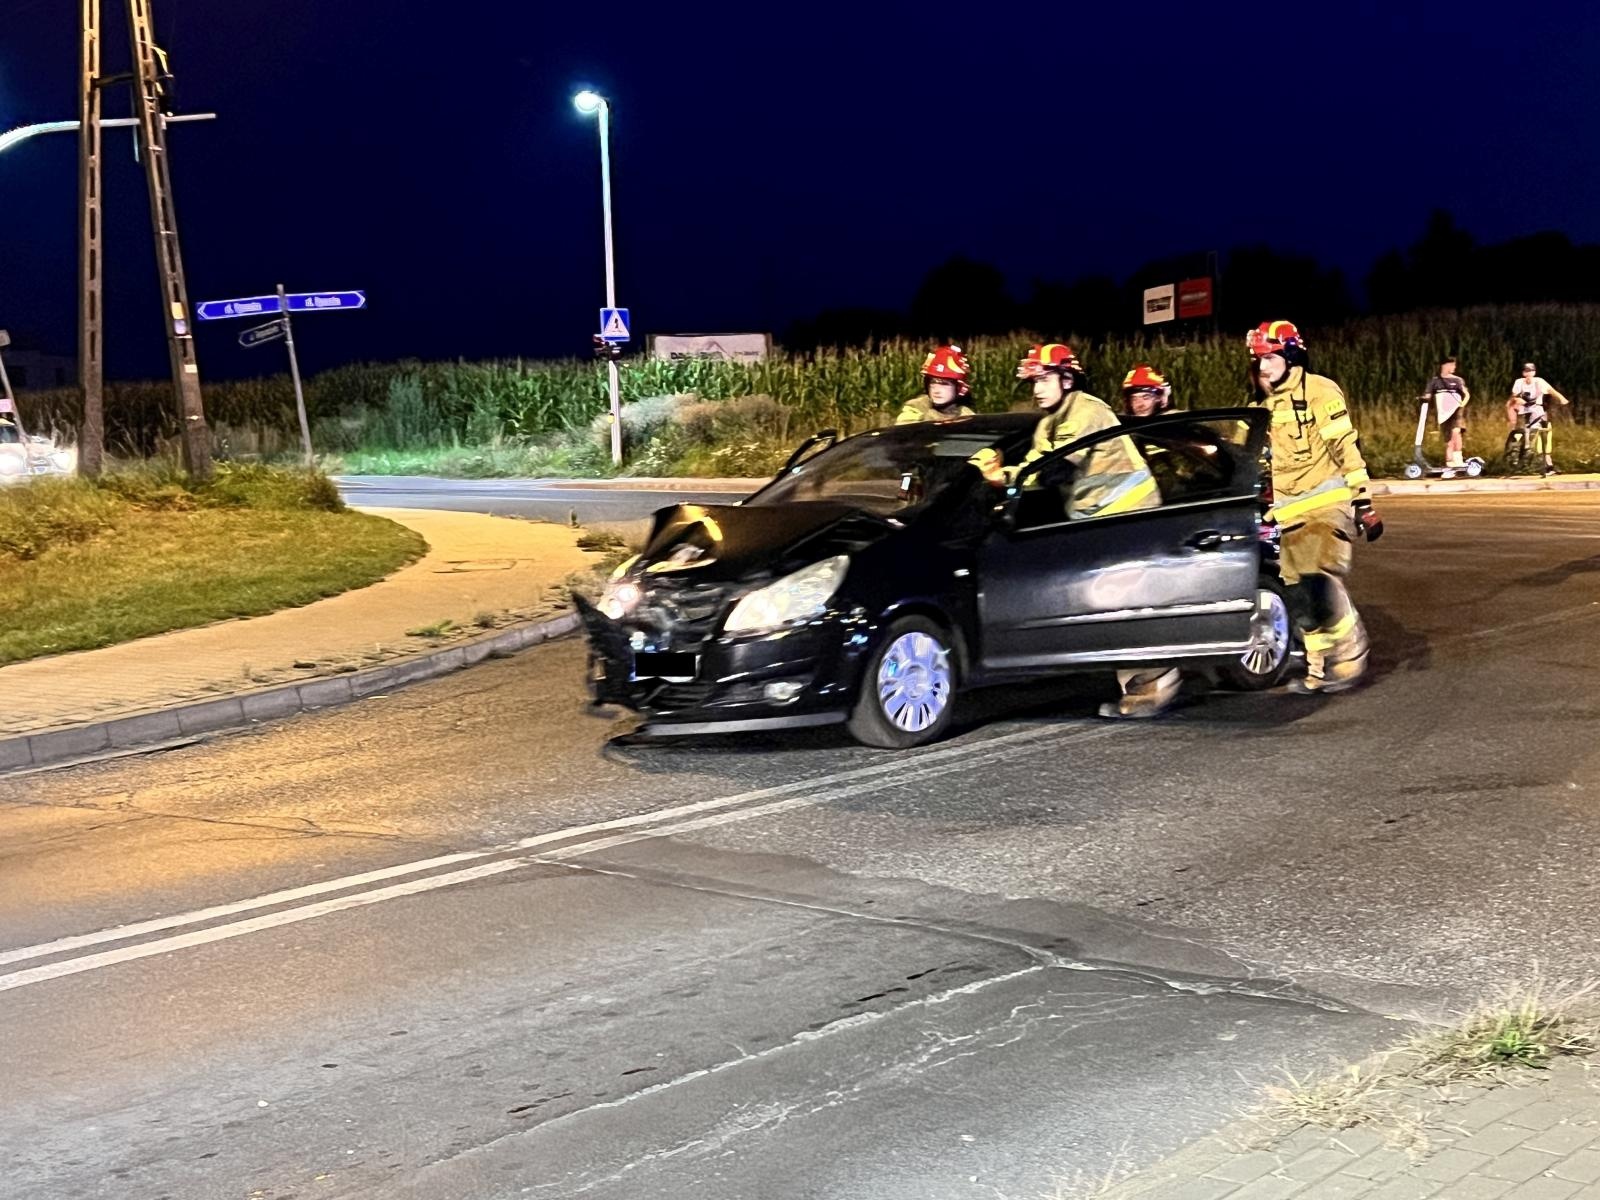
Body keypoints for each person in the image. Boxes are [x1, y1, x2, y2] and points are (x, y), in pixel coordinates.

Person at [974, 345, 1170, 718]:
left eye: (1045, 379)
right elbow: (1035, 471)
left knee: (1120, 605)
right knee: (1102, 605)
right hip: (1094, 521)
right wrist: (1000, 477)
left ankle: (1157, 678)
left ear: (1067, 379)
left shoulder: (1087, 410)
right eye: (1034, 381)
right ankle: (1137, 686)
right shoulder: (1048, 424)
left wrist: (1004, 476)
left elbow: (1056, 469)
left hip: (1128, 516)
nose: (1037, 389)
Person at [1247, 320, 1382, 694]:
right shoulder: (1262, 406)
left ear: (1291, 355)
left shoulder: (1321, 392)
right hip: (1289, 514)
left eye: (1270, 357)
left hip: (1327, 506)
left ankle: (1350, 654)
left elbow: (1345, 448)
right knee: (1301, 598)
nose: (1263, 367)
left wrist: (1363, 500)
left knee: (1318, 580)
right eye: (1258, 360)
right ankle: (1318, 671)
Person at [1507, 362, 1570, 476]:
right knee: (1523, 435)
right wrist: (1517, 400)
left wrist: (1562, 398)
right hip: (1523, 410)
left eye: (1531, 371)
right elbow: (1513, 397)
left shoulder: (1539, 382)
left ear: (1534, 372)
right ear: (1523, 373)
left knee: (1543, 435)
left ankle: (1548, 465)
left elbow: (1551, 391)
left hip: (1537, 410)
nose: (1529, 374)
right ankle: (1519, 458)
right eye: (1527, 371)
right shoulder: (1519, 382)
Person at [896, 345, 976, 424]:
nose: (936, 390)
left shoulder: (967, 416)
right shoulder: (915, 409)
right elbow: (903, 432)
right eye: (933, 382)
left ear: (959, 388)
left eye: (944, 384)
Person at [1422, 355, 1471, 474]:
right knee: (1448, 440)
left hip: (1456, 410)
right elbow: (1428, 395)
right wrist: (1422, 399)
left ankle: (1458, 459)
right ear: (1445, 365)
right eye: (1452, 365)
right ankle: (1449, 464)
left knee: (1456, 432)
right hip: (1443, 413)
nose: (1454, 367)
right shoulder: (1435, 381)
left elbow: (1466, 394)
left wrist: (1462, 405)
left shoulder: (1457, 380)